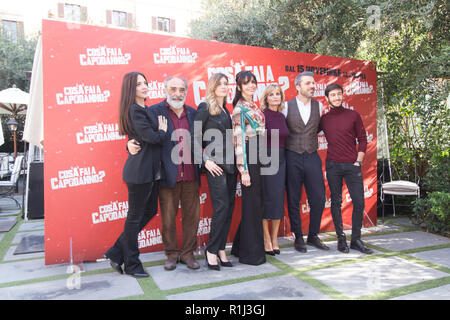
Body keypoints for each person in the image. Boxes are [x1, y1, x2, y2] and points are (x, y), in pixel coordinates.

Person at [128, 76, 201, 271]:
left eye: (181, 89)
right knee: (168, 218)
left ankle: (188, 253)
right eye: (173, 89)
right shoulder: (153, 112)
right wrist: (129, 144)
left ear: (186, 91)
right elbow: (139, 135)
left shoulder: (194, 113)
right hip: (167, 175)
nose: (177, 93)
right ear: (164, 90)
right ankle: (171, 254)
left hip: (191, 174)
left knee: (192, 217)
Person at [104, 71, 168, 278]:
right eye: (139, 84)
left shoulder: (144, 109)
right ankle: (131, 263)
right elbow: (151, 137)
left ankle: (116, 252)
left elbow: (143, 137)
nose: (144, 86)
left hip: (151, 172)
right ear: (131, 89)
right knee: (134, 218)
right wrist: (162, 133)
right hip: (140, 172)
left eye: (145, 82)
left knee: (148, 212)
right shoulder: (135, 110)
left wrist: (150, 136)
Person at [319, 83, 373, 254]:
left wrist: (359, 161)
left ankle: (356, 239)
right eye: (332, 95)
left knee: (359, 201)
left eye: (339, 94)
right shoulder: (325, 119)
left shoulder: (353, 115)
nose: (336, 97)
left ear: (343, 96)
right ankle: (341, 240)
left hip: (352, 165)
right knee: (335, 202)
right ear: (327, 98)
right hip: (333, 165)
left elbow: (363, 139)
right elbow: (308, 131)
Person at [192, 73, 237, 270]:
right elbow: (192, 136)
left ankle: (220, 250)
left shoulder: (226, 109)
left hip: (231, 165)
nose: (224, 87)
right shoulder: (205, 107)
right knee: (221, 207)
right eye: (219, 84)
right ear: (212, 87)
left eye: (226, 84)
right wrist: (205, 160)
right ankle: (211, 250)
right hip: (215, 166)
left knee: (228, 209)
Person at [282, 71, 329, 253]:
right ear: (298, 86)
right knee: (293, 198)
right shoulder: (286, 106)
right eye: (308, 83)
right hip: (292, 155)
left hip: (312, 156)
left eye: (313, 83)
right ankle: (298, 236)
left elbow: (315, 129)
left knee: (318, 197)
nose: (312, 86)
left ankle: (313, 235)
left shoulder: (319, 107)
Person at [230, 70, 266, 266]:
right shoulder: (239, 110)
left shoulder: (254, 106)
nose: (251, 86)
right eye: (246, 83)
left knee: (256, 204)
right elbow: (238, 142)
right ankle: (251, 255)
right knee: (252, 205)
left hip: (259, 156)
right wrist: (243, 170)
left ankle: (238, 246)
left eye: (253, 82)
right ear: (239, 87)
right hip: (249, 158)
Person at [260, 84, 290, 255]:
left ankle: (274, 238)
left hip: (282, 159)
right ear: (266, 98)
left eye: (277, 94)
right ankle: (265, 238)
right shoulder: (261, 116)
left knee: (278, 199)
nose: (275, 97)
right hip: (267, 158)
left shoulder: (282, 116)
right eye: (271, 94)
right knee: (267, 199)